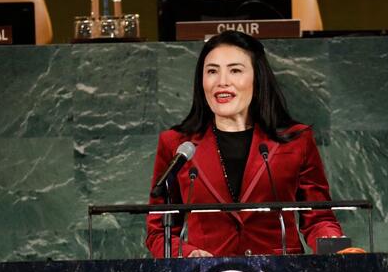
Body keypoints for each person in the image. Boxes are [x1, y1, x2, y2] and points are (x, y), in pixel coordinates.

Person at [145, 30, 343, 258]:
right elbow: (158, 232)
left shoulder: (296, 140)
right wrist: (188, 255)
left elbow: (319, 218)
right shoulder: (177, 145)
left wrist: (336, 246)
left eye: (235, 70)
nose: (222, 82)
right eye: (212, 71)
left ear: (257, 79)